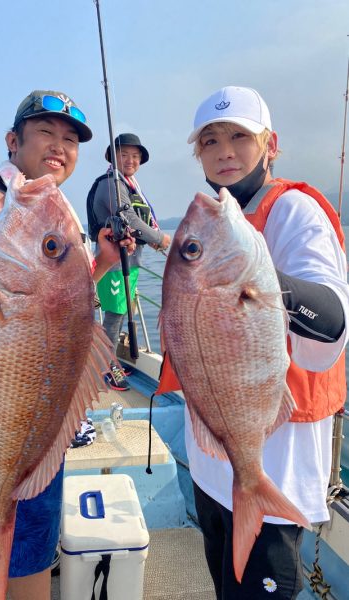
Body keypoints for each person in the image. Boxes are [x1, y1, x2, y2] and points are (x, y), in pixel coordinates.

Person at [0, 89, 136, 600]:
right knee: (29, 535)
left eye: (70, 140)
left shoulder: (47, 214)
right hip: (9, 397)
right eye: (45, 134)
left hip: (36, 401)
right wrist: (48, 240)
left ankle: (5, 553)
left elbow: (55, 301)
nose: (59, 146)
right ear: (13, 142)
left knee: (31, 525)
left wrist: (95, 261)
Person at [185, 86, 349, 599]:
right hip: (213, 462)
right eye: (210, 141)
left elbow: (332, 321)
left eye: (239, 136)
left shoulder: (296, 211)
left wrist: (255, 280)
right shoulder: (217, 219)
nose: (224, 151)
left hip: (270, 464)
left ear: (270, 143)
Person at [87, 132, 171, 391]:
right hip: (113, 263)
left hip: (130, 262)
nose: (131, 160)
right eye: (124, 155)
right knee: (114, 315)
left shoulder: (128, 184)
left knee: (122, 312)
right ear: (113, 157)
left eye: (135, 156)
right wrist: (160, 238)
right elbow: (130, 219)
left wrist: (152, 240)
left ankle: (106, 360)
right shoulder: (113, 184)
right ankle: (106, 367)